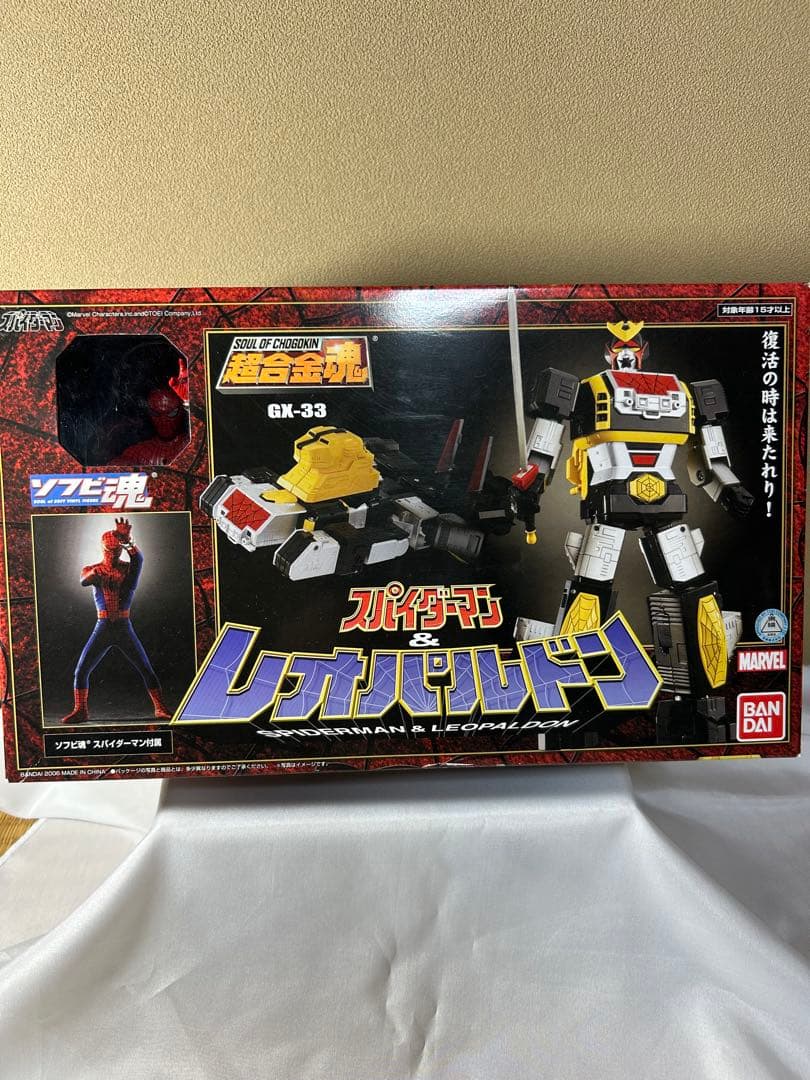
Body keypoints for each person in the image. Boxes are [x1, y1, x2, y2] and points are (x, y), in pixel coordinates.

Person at [62, 517, 171, 723]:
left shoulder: (128, 570)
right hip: (103, 626)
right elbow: (83, 580)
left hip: (122, 626)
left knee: (145, 668)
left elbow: (139, 560)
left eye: (116, 550)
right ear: (103, 549)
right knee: (82, 669)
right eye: (109, 551)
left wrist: (128, 541)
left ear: (120, 550)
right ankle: (81, 710)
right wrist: (95, 572)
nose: (112, 555)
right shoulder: (94, 569)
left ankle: (160, 707)